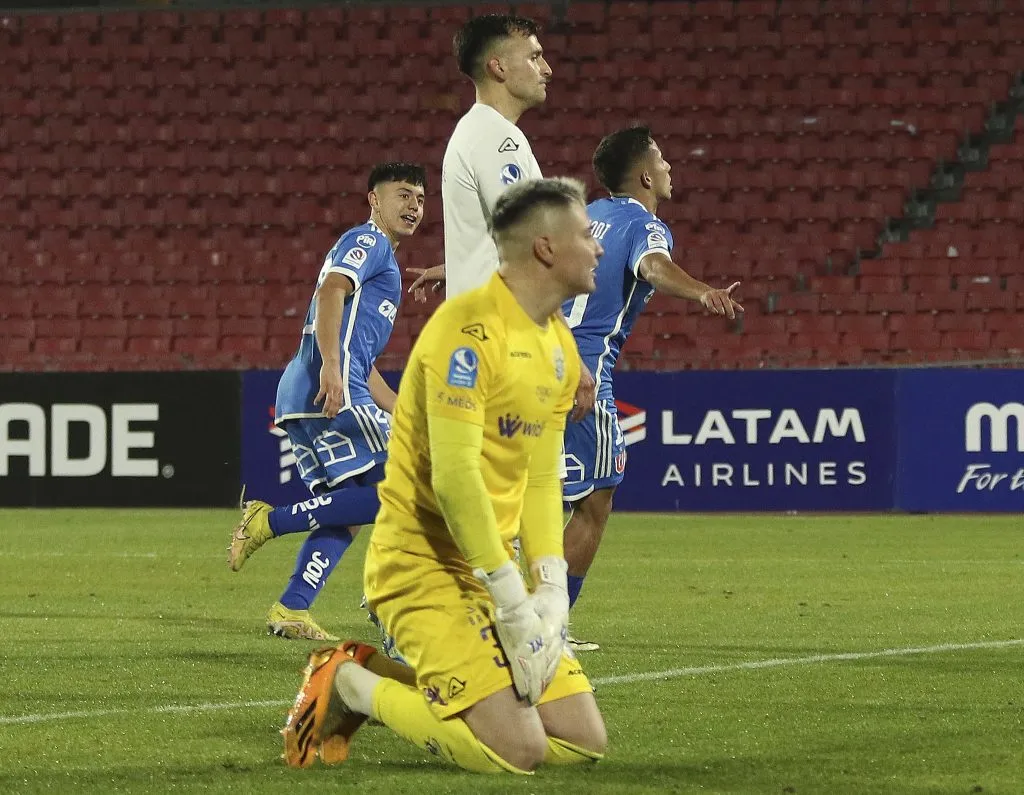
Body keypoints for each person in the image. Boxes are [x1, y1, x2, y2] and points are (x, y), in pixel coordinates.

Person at [280, 177, 608, 774]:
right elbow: (455, 478)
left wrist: (551, 591)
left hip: (490, 563)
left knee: (584, 740)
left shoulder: (558, 343)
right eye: (586, 235)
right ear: (544, 247)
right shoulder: (466, 332)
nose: (600, 247)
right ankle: (349, 684)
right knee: (521, 750)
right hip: (422, 567)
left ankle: (388, 675)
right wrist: (513, 602)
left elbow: (539, 476)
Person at [560, 126, 744, 650]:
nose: (668, 167)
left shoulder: (581, 217)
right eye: (662, 159)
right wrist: (703, 291)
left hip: (533, 360)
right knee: (594, 503)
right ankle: (546, 630)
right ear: (644, 175)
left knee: (530, 498)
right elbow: (652, 266)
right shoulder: (644, 224)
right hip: (584, 375)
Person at [227, 162, 427, 641]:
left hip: (316, 386)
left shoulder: (385, 262)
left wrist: (398, 406)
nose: (413, 207)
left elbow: (363, 355)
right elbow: (330, 290)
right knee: (401, 493)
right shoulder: (369, 241)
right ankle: (270, 523)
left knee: (351, 507)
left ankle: (293, 606)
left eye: (419, 199)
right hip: (329, 386)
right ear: (374, 200)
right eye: (401, 195)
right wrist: (334, 370)